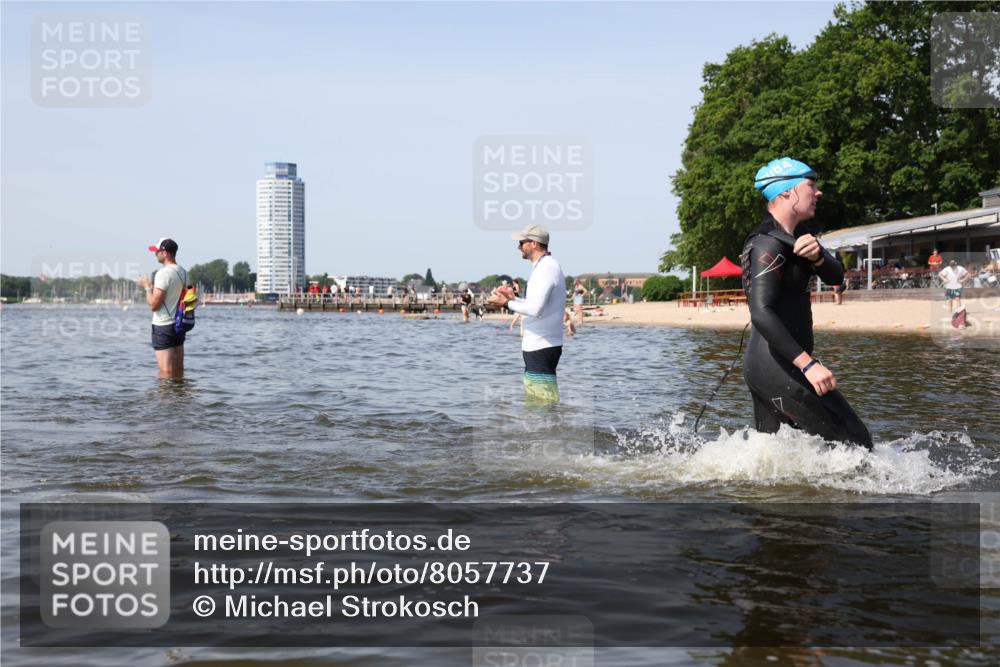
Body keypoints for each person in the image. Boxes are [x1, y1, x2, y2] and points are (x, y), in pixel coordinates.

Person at [741, 158, 872, 449]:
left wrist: (818, 257)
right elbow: (761, 312)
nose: (818, 192)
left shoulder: (797, 238)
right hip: (776, 365)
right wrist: (809, 365)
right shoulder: (768, 243)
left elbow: (836, 276)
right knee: (857, 443)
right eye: (811, 185)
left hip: (772, 364)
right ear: (787, 192)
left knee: (776, 456)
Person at [488, 224, 566, 404]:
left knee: (542, 403)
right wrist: (514, 299)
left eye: (522, 242)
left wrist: (506, 303)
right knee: (538, 401)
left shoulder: (546, 268)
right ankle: (551, 423)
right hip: (540, 345)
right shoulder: (545, 266)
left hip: (542, 345)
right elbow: (536, 305)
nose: (518, 247)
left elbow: (536, 310)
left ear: (534, 243)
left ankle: (551, 423)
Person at [136, 238, 189, 378]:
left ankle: (166, 392)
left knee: (166, 372)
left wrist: (147, 287)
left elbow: (154, 305)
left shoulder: (163, 273)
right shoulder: (184, 272)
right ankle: (179, 391)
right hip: (179, 324)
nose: (155, 254)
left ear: (165, 253)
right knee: (178, 369)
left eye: (157, 251)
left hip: (164, 325)